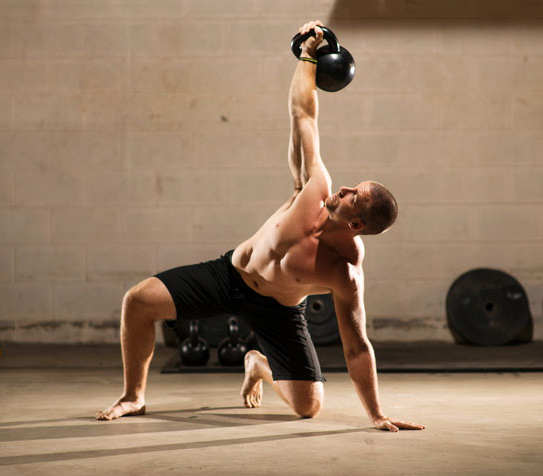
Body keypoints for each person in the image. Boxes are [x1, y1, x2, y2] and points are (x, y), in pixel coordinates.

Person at [96, 20, 425, 432]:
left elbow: (357, 347)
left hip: (279, 311)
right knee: (138, 302)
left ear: (356, 223)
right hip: (230, 275)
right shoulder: (314, 190)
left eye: (352, 195)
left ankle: (258, 363)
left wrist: (376, 415)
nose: (342, 188)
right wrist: (308, 55)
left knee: (309, 408)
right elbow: (303, 113)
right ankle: (133, 396)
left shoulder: (344, 274)